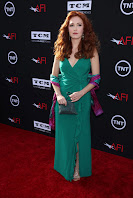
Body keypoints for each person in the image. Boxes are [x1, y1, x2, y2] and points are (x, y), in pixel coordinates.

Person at [49, 11, 103, 182]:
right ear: (67, 28)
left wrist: (81, 93)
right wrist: (58, 95)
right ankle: (65, 166)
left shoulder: (91, 50)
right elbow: (53, 76)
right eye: (71, 25)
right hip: (63, 100)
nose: (75, 28)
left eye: (79, 25)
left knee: (80, 136)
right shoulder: (61, 48)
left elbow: (96, 78)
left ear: (84, 29)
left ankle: (78, 168)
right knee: (65, 136)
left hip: (82, 98)